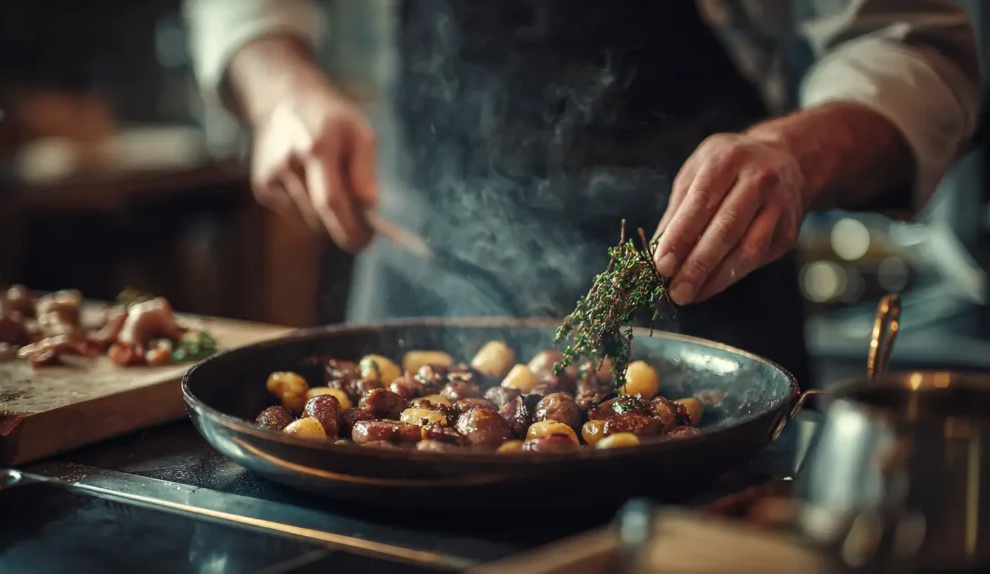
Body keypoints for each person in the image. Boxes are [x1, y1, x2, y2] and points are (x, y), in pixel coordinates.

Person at [183, 0, 981, 388]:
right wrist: (279, 84)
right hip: (418, 266)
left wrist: (797, 152)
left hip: (711, 310)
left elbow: (920, 53)